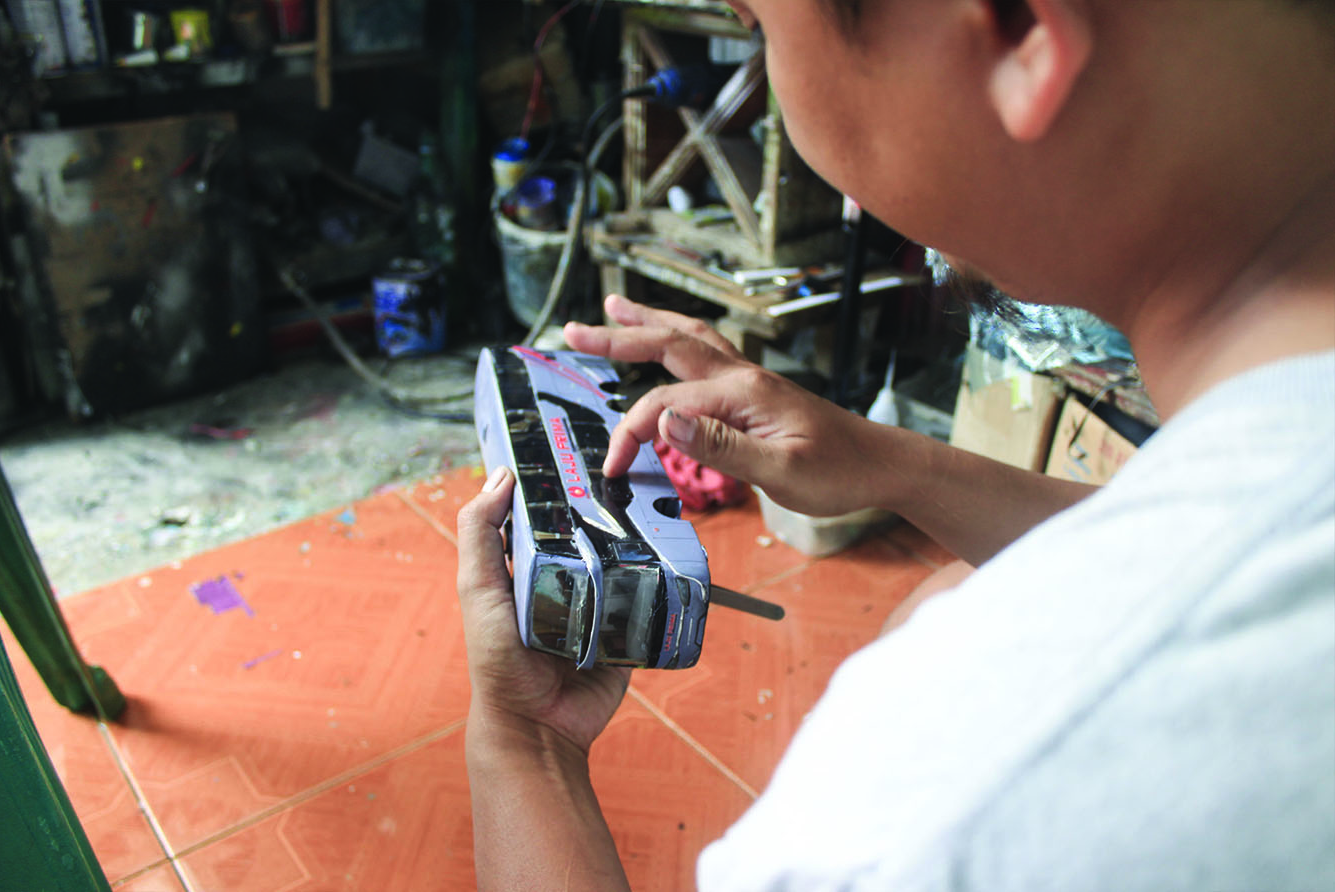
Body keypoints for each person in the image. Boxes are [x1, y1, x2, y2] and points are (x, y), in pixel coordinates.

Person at [456, 0, 1335, 888]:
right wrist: (892, 462)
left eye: (765, 31)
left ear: (1021, 27)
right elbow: (1174, 540)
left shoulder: (951, 798)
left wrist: (524, 741)